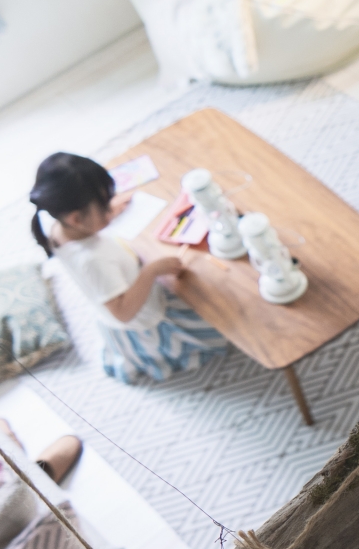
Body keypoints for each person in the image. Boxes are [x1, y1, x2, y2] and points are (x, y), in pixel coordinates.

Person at [28, 152, 227, 384]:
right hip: (144, 319)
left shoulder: (54, 226)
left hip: (115, 295)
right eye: (103, 207)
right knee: (221, 324)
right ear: (76, 219)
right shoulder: (93, 259)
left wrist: (105, 211)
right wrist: (151, 271)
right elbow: (123, 313)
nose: (109, 212)